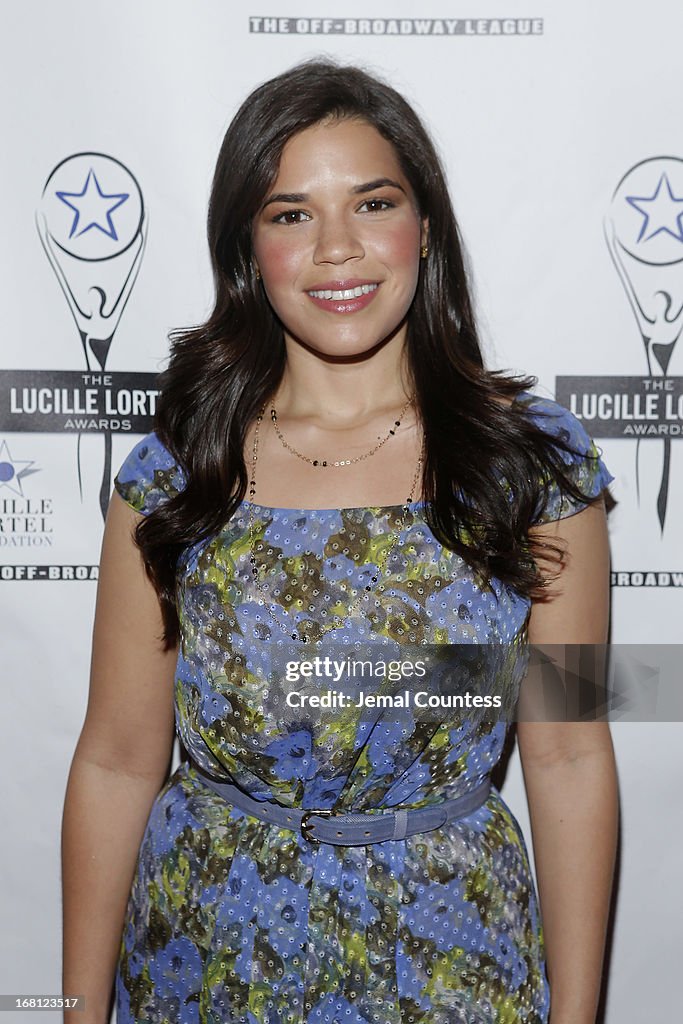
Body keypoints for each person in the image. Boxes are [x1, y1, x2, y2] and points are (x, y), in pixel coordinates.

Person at [61, 59, 619, 1024]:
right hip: (206, 953)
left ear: (424, 228)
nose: (337, 248)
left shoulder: (532, 464)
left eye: (371, 203)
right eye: (289, 214)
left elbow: (567, 756)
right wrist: (75, 1013)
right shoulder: (177, 472)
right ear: (247, 247)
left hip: (454, 955)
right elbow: (115, 760)